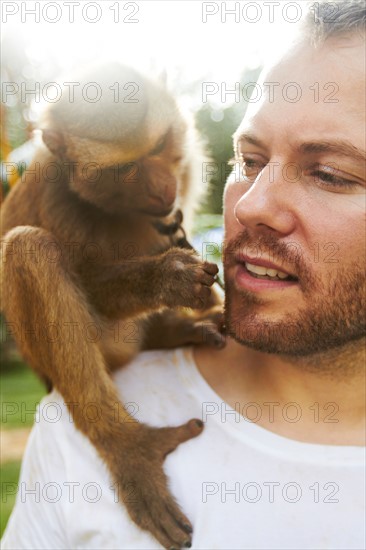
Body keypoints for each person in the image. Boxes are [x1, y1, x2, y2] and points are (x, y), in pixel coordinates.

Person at [2, 1, 365, 548]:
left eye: (331, 174)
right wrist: (153, 287)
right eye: (249, 160)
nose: (249, 206)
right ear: (63, 156)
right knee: (25, 249)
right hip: (86, 345)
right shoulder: (67, 442)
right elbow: (76, 302)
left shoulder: (177, 144)